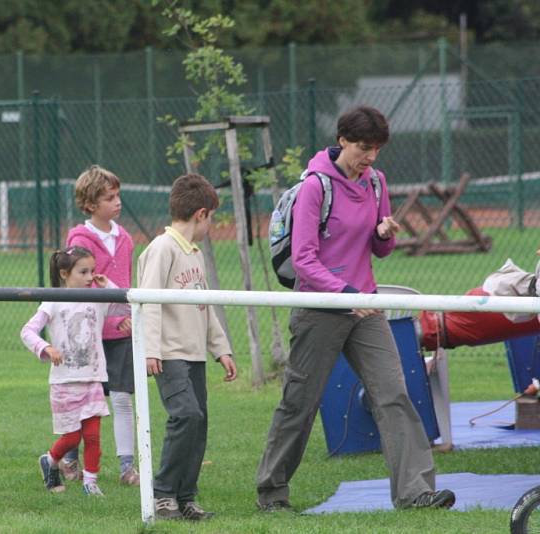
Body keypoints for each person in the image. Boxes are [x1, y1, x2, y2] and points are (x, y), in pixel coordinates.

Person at [255, 106, 456, 513]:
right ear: (343, 140)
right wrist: (349, 294)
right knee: (300, 403)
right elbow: (305, 259)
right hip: (321, 307)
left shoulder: (377, 182)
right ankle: (271, 494)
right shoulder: (315, 187)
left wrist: (384, 234)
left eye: (377, 149)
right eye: (365, 147)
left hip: (366, 306)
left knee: (394, 395)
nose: (371, 157)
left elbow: (380, 249)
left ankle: (415, 492)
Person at [137, 173, 237, 521]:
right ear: (201, 214)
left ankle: (186, 496)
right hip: (169, 354)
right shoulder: (162, 249)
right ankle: (163, 494)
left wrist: (220, 349)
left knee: (199, 422)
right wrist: (151, 350)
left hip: (195, 355)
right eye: (211, 217)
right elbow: (148, 302)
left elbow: (204, 306)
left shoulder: (194, 254)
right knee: (185, 415)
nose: (210, 224)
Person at [61, 165, 139, 486]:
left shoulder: (126, 239)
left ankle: (126, 467)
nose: (117, 202)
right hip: (88, 338)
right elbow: (80, 286)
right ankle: (68, 459)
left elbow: (127, 284)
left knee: (122, 399)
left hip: (120, 334)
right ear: (91, 205)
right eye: (109, 198)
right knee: (85, 404)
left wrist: (128, 316)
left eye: (118, 195)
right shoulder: (79, 239)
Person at [20, 246, 118, 497]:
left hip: (93, 380)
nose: (89, 277)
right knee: (73, 438)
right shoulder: (53, 302)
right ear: (64, 273)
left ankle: (90, 483)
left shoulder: (97, 299)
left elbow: (123, 305)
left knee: (94, 436)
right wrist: (46, 347)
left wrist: (107, 285)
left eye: (92, 271)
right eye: (83, 271)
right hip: (64, 383)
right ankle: (50, 460)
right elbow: (27, 331)